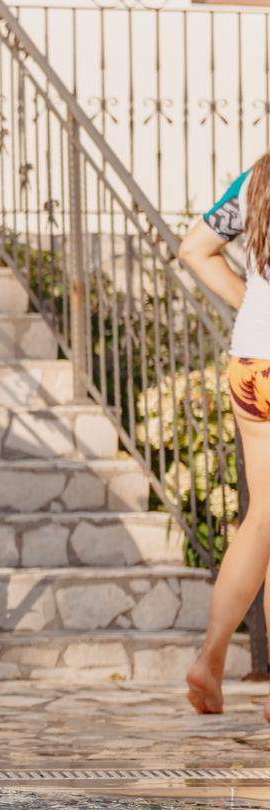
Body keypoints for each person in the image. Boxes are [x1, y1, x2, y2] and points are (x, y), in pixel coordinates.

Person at [183, 156, 270, 716]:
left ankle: (213, 663)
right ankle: (214, 662)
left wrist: (254, 307)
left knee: (263, 518)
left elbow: (194, 248)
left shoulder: (259, 177)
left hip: (251, 363)